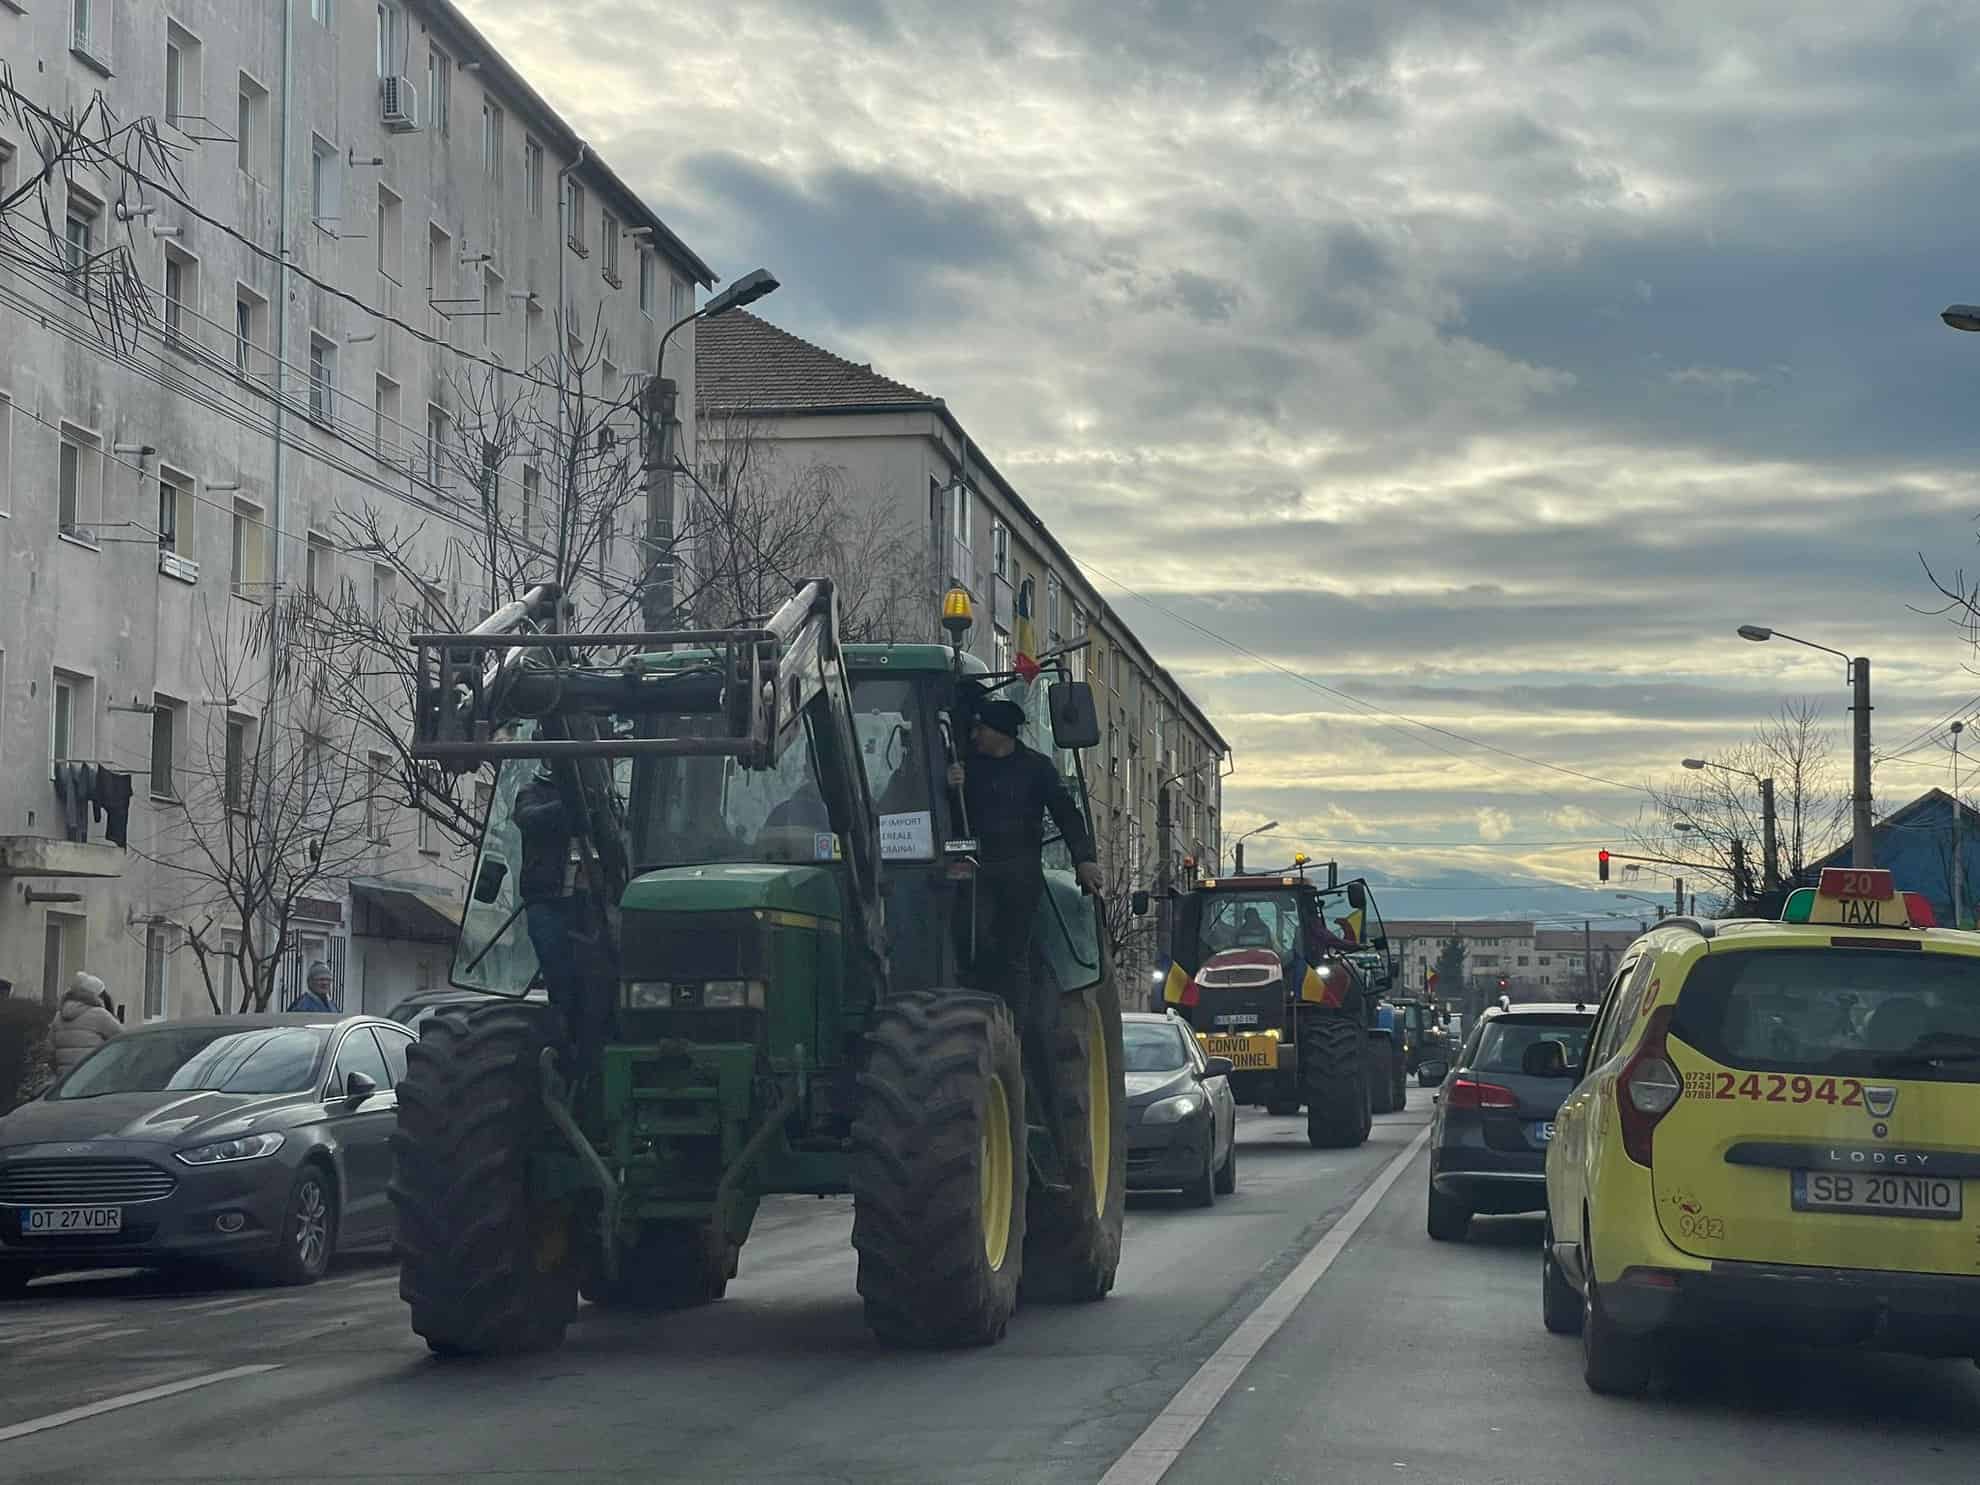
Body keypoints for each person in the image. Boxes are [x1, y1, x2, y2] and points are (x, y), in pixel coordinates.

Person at [946, 698, 1104, 1006]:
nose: (974, 735)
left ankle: (1015, 1028)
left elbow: (1066, 815)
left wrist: (1083, 860)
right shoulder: (965, 767)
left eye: (981, 729)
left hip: (1020, 871)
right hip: (973, 868)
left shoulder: (1036, 768)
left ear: (1001, 732)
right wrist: (951, 788)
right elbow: (943, 814)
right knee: (970, 939)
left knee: (1013, 953)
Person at [51, 972, 122, 1074]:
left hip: (65, 1080)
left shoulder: (58, 1017)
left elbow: (49, 1051)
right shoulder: (100, 1015)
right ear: (97, 996)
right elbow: (123, 1040)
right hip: (91, 1078)